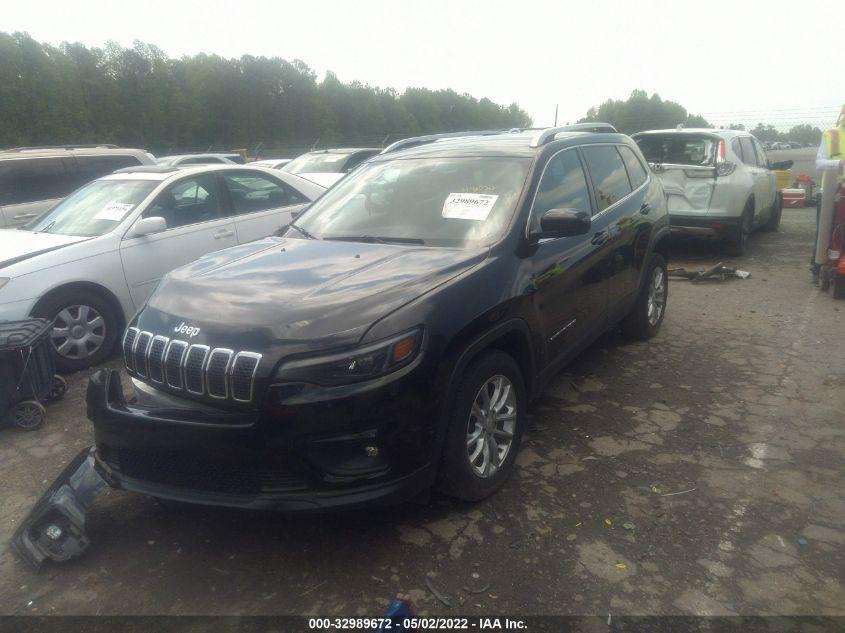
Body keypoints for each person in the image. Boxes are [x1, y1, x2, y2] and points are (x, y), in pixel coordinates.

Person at [812, 104, 845, 284]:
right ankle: (818, 268)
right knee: (826, 232)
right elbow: (819, 164)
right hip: (831, 193)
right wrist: (838, 163)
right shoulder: (832, 135)